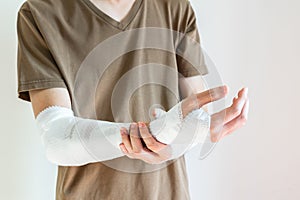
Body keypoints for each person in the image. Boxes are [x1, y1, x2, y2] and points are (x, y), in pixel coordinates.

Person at [16, 0, 249, 199]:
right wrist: (156, 133)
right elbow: (58, 137)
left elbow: (193, 116)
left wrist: (198, 130)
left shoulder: (175, 7)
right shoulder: (39, 13)